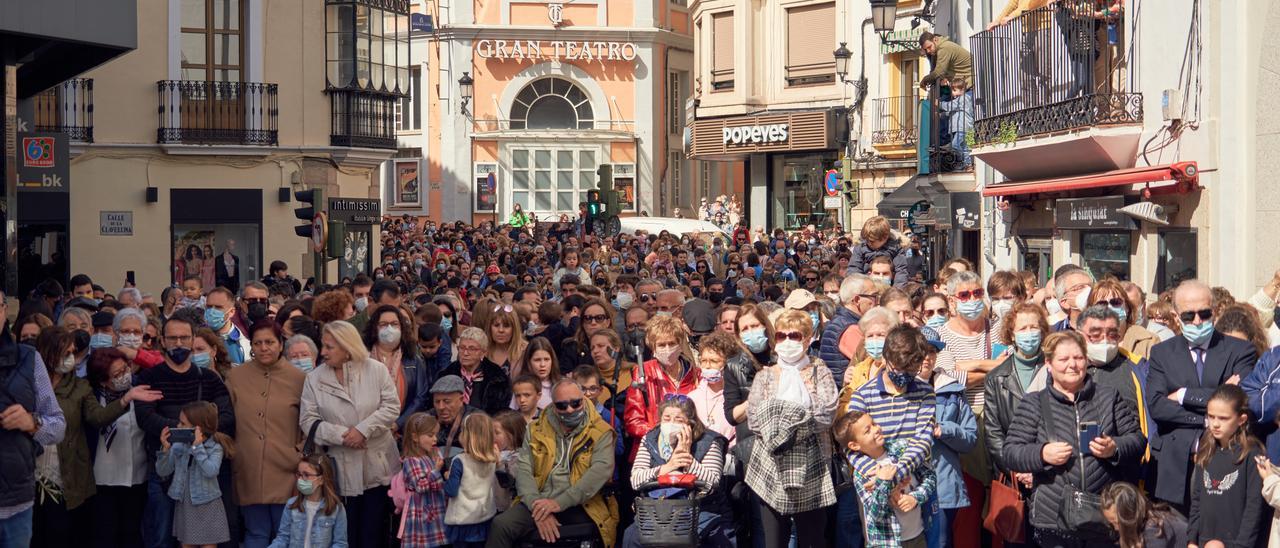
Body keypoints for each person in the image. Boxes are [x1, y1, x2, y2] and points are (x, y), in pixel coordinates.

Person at [1002, 331, 1145, 547]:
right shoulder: (1035, 403)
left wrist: (1114, 448)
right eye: (1063, 359)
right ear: (1048, 364)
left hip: (1104, 513)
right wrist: (1042, 454)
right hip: (1054, 517)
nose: (1072, 365)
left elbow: (1137, 440)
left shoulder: (1108, 396)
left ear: (1087, 360)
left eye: (1078, 358)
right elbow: (1011, 452)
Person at [31, 327, 158, 547]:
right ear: (47, 353)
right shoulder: (28, 382)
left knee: (61, 532)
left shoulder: (79, 387)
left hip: (66, 473)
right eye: (65, 354)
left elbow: (97, 417)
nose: (70, 359)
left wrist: (125, 399)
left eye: (73, 353)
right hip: (29, 470)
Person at [1147, 280, 1259, 510]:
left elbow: (1239, 399)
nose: (1197, 322)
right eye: (1189, 316)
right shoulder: (1162, 353)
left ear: (1215, 312)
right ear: (1176, 317)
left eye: (1204, 314)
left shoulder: (1240, 350)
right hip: (1177, 465)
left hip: (1226, 461)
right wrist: (1209, 417)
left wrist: (1183, 395)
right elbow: (1157, 406)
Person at [135, 314, 235, 548]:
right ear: (162, 340)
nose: (178, 343)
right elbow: (145, 417)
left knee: (204, 539)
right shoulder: (149, 377)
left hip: (202, 474)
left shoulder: (209, 379)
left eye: (184, 337)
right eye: (172, 338)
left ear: (192, 340)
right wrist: (188, 431)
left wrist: (187, 432)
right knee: (161, 537)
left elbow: (228, 417)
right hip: (164, 471)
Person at [299, 321, 401, 548]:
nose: (323, 352)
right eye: (322, 346)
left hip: (377, 466)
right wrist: (344, 435)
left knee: (375, 533)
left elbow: (392, 407)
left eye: (329, 347)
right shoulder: (314, 379)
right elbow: (308, 420)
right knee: (346, 535)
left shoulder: (376, 370)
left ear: (347, 347)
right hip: (339, 469)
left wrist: (363, 430)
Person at [745, 309, 838, 548]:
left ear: (807, 338)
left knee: (813, 539)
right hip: (771, 464)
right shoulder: (765, 375)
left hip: (812, 463)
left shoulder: (820, 370)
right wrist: (797, 421)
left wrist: (782, 425)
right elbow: (755, 419)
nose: (787, 341)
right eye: (781, 335)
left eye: (794, 335)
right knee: (774, 540)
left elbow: (827, 413)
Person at [485, 380, 617, 547]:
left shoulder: (601, 431)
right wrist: (538, 508)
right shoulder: (535, 429)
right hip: (539, 499)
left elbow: (600, 472)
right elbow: (524, 470)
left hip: (582, 503)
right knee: (501, 525)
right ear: (553, 406)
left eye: (575, 403)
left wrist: (557, 504)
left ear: (583, 400)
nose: (570, 409)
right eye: (562, 406)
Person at [225, 320, 307, 548]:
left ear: (281, 344)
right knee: (256, 533)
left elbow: (308, 423)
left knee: (287, 534)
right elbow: (226, 420)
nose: (264, 348)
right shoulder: (236, 377)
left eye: (269, 342)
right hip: (248, 466)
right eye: (258, 343)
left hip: (287, 468)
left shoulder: (298, 379)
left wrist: (298, 454)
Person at [620, 397, 734, 547]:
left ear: (689, 423)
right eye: (667, 418)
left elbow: (712, 481)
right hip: (659, 508)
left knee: (718, 537)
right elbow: (636, 480)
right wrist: (668, 467)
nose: (671, 423)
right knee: (631, 536)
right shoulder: (650, 439)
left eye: (678, 419)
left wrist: (687, 459)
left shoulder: (709, 441)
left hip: (701, 509)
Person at [87, 348, 159, 548]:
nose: (125, 376)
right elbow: (97, 420)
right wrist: (124, 400)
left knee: (132, 534)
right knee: (105, 535)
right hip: (102, 479)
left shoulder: (141, 389)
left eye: (125, 369)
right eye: (117, 375)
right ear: (102, 381)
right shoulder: (91, 396)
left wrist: (138, 354)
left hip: (136, 476)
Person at [836, 410, 936, 548]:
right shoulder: (862, 474)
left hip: (917, 536)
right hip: (886, 543)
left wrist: (915, 497)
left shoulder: (901, 449)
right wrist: (883, 482)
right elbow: (875, 514)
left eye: (874, 423)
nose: (876, 429)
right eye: (867, 431)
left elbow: (930, 476)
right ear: (854, 445)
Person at [1187, 385, 1267, 548]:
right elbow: (1197, 500)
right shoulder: (1206, 449)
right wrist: (1192, 539)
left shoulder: (1251, 454)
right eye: (1211, 416)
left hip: (1236, 542)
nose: (1215, 424)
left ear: (1241, 420)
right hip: (1205, 541)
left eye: (1223, 418)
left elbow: (1254, 509)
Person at [918, 330, 976, 548]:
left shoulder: (952, 390)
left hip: (943, 485)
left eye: (932, 351)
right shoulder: (895, 388)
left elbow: (970, 439)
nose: (927, 356)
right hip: (908, 483)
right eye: (921, 350)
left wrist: (945, 429)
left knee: (940, 543)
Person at [983, 302, 1050, 490]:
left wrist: (1041, 467)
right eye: (1023, 328)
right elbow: (993, 433)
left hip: (1049, 471)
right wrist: (1018, 468)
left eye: (1034, 327)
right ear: (1012, 334)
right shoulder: (996, 378)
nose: (1029, 333)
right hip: (1013, 476)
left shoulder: (1054, 369)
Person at [157, 401, 235, 548]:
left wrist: (197, 447)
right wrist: (165, 450)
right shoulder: (179, 445)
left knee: (208, 544)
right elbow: (163, 471)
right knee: (187, 544)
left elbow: (211, 471)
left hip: (208, 503)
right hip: (185, 502)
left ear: (198, 427)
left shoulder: (215, 448)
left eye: (182, 423)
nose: (178, 427)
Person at [624, 314, 700, 455]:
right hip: (653, 449)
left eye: (671, 343)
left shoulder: (696, 374)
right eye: (661, 345)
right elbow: (633, 420)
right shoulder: (644, 372)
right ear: (653, 348)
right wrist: (661, 434)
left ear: (680, 344)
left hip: (691, 446)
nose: (667, 349)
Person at [362, 304, 432, 428]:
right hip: (366, 427)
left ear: (402, 328)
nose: (389, 328)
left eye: (394, 324)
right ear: (374, 328)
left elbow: (420, 396)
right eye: (383, 324)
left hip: (402, 429)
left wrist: (398, 424)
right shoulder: (362, 358)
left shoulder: (413, 360)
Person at [443, 413, 500, 548]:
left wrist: (446, 478)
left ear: (467, 436)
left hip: (463, 520)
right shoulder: (493, 459)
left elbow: (451, 491)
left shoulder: (459, 461)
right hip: (485, 516)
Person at [267, 454, 348, 548]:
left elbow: (340, 544)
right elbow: (283, 538)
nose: (301, 479)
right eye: (299, 474)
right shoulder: (291, 504)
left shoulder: (336, 508)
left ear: (321, 479)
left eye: (306, 475)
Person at [400, 413, 448, 548]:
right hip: (422, 513)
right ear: (415, 437)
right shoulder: (411, 460)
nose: (435, 439)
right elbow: (421, 486)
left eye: (435, 435)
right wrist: (436, 471)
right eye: (430, 435)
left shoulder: (431, 454)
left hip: (436, 509)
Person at [439, 327, 512, 416]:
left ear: (483, 352)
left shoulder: (497, 378)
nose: (465, 353)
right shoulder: (446, 374)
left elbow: (501, 412)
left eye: (472, 349)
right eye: (462, 348)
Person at [821, 273, 877, 384]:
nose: (877, 301)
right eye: (873, 296)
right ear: (857, 300)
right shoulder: (850, 329)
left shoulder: (843, 321)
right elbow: (871, 362)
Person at [1099, 482, 1188, 548]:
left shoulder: (1154, 529)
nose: (1115, 528)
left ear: (1129, 515)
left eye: (1117, 523)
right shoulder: (1142, 523)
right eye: (1112, 524)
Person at [1088, 279, 1160, 361]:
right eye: (1101, 304)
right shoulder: (1081, 342)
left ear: (1127, 308)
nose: (1109, 308)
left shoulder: (1149, 341)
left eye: (1116, 302)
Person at [688, 332, 736, 446]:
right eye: (704, 361)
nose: (707, 366)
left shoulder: (737, 397)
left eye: (714, 361)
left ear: (728, 363)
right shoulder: (691, 398)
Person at [848, 216, 909, 287]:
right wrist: (858, 287)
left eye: (872, 241)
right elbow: (854, 269)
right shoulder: (861, 247)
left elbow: (901, 271)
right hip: (866, 285)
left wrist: (896, 291)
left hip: (890, 286)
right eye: (867, 240)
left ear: (885, 238)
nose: (869, 243)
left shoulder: (896, 248)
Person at [204, 288, 251, 365]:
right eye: (209, 307)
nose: (212, 311)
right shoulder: (197, 337)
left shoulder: (243, 345)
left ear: (231, 312)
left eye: (218, 307)